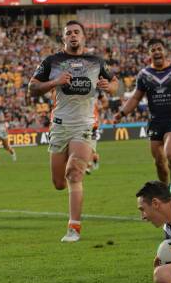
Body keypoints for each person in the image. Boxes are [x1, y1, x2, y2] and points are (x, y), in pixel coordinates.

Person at [28, 20, 118, 242]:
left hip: (85, 124)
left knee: (74, 174)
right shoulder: (52, 61)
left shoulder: (95, 61)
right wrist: (55, 82)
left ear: (84, 37)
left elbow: (115, 82)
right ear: (63, 39)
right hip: (59, 125)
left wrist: (110, 87)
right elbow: (32, 88)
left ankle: (74, 228)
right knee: (59, 183)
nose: (73, 36)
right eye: (69, 33)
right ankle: (90, 157)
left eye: (77, 32)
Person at [115, 39, 171, 197]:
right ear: (149, 54)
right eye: (153, 50)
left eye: (159, 49)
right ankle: (165, 190)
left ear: (165, 52)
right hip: (155, 121)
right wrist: (122, 113)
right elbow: (135, 98)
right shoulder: (144, 75)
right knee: (159, 162)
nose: (156, 52)